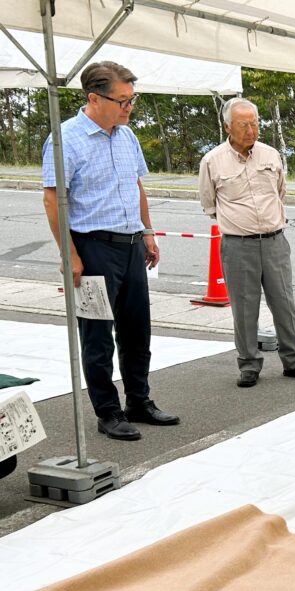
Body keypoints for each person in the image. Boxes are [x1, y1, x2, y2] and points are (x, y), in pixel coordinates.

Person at [42, 61, 179, 441]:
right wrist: (69, 253)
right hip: (93, 247)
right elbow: (53, 201)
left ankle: (140, 400)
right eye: (122, 100)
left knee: (137, 331)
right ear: (93, 98)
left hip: (131, 244)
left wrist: (147, 231)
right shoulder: (65, 139)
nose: (128, 107)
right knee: (98, 335)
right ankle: (108, 411)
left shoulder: (126, 136)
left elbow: (135, 187)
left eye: (132, 100)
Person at [198, 98, 295, 388]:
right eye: (244, 125)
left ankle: (294, 361)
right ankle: (249, 364)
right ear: (227, 126)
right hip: (238, 244)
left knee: (284, 303)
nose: (251, 130)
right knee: (244, 307)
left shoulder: (271, 155)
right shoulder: (213, 161)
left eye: (255, 123)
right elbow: (208, 203)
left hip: (275, 240)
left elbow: (280, 192)